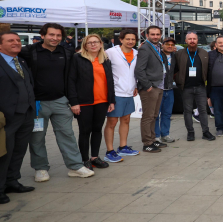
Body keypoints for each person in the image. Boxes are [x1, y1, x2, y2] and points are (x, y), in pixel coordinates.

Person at [20, 23, 92, 181]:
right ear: (43, 35)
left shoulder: (66, 52)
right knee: (37, 138)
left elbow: (71, 78)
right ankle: (40, 168)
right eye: (51, 35)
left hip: (60, 101)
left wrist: (73, 101)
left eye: (58, 35)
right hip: (37, 104)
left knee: (67, 135)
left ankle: (75, 166)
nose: (55, 38)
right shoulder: (29, 51)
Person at [0, 32, 38, 204]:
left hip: (26, 114)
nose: (16, 43)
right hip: (6, 117)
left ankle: (12, 181)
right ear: (0, 45)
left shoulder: (21, 61)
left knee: (19, 150)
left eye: (17, 40)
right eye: (10, 40)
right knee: (4, 153)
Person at [68, 34, 116, 169]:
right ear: (85, 45)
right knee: (85, 131)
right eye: (89, 43)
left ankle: (95, 157)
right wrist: (74, 102)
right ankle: (84, 159)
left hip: (102, 101)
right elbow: (71, 81)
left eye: (96, 42)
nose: (93, 44)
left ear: (101, 44)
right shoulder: (77, 58)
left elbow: (110, 81)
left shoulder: (105, 59)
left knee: (97, 129)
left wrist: (111, 101)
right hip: (84, 102)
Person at [103, 29, 140, 163]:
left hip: (129, 92)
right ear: (121, 39)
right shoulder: (111, 52)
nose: (130, 41)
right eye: (127, 39)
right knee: (112, 122)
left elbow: (135, 72)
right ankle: (109, 151)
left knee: (126, 120)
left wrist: (135, 85)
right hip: (115, 93)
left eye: (133, 39)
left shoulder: (137, 53)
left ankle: (123, 147)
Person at [134, 26, 169, 152]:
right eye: (152, 34)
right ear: (147, 35)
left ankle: (153, 139)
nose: (155, 36)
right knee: (148, 116)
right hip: (150, 87)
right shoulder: (145, 48)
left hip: (159, 85)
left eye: (157, 34)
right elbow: (139, 70)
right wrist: (147, 86)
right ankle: (147, 143)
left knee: (154, 115)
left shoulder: (158, 47)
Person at [175, 31, 214, 142]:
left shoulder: (204, 53)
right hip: (186, 88)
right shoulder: (179, 53)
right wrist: (178, 81)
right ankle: (190, 132)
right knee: (187, 111)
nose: (192, 41)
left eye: (194, 39)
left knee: (203, 110)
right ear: (185, 41)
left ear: (197, 40)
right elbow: (175, 69)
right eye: (190, 39)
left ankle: (205, 132)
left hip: (200, 86)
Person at [154, 38, 177, 143]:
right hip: (159, 89)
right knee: (156, 114)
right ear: (162, 45)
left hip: (170, 89)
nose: (170, 46)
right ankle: (156, 135)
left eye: (172, 45)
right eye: (167, 44)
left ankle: (165, 134)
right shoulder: (157, 55)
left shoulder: (175, 56)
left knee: (167, 114)